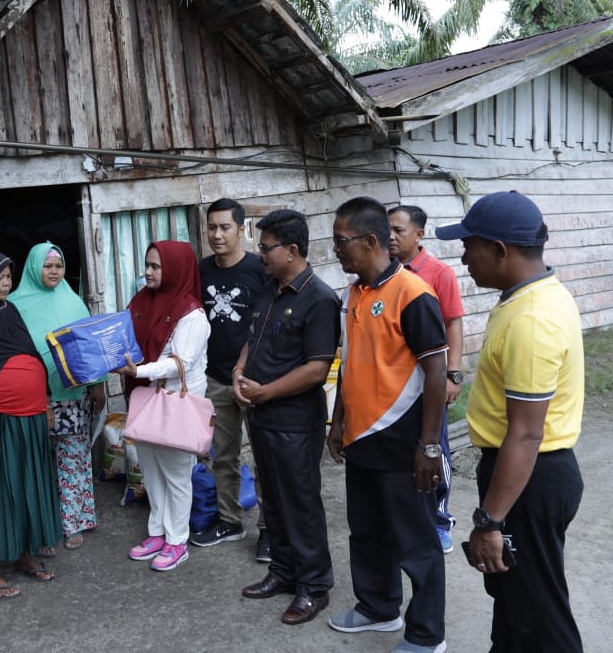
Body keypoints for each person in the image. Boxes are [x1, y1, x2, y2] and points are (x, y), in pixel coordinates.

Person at [435, 191, 584, 652]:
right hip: (523, 472)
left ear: (500, 250)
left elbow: (525, 431)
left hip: (529, 478)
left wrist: (490, 520)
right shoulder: (530, 296)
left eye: (470, 244)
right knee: (515, 604)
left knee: (541, 614)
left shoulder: (532, 319)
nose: (463, 255)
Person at [326, 197, 448, 653]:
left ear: (370, 241)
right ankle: (378, 608)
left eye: (341, 242)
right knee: (367, 531)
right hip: (361, 438)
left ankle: (426, 634)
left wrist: (430, 446)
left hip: (403, 442)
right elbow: (351, 364)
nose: (335, 250)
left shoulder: (413, 294)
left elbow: (435, 371)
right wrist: (337, 421)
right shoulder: (354, 293)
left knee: (415, 541)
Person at [236, 209, 340, 625]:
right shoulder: (268, 288)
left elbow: (317, 368)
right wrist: (240, 371)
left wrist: (265, 392)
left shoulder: (319, 299)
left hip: (295, 419)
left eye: (266, 248)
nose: (260, 254)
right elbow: (252, 337)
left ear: (292, 250)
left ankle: (314, 587)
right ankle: (282, 572)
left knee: (300, 502)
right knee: (274, 501)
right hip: (262, 414)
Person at [0, 251, 63, 599]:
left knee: (28, 484)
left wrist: (44, 403)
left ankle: (22, 554)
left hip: (30, 415)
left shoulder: (11, 311)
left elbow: (31, 355)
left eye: (8, 277)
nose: (6, 283)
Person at [115, 240, 210, 572]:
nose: (149, 271)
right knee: (151, 470)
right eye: (147, 264)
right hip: (145, 397)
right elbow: (124, 338)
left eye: (156, 266)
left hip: (175, 401)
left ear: (175, 270)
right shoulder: (142, 301)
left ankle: (177, 541)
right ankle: (157, 532)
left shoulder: (191, 313)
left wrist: (138, 370)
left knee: (176, 474)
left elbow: (179, 362)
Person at [9, 243, 106, 552]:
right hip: (32, 397)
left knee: (73, 458)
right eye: (47, 265)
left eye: (58, 266)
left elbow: (92, 347)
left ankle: (73, 522)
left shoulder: (74, 302)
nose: (53, 271)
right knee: (37, 462)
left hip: (72, 396)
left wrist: (99, 385)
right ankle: (43, 526)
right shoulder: (13, 305)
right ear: (33, 268)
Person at [190, 199, 270, 560]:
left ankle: (271, 528)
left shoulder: (260, 269)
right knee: (223, 456)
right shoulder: (202, 270)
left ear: (242, 228)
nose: (217, 235)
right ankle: (229, 520)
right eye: (211, 227)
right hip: (216, 379)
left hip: (255, 381)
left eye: (225, 227)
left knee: (267, 457)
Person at [389, 205, 465, 553]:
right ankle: (407, 519)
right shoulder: (384, 273)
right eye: (387, 229)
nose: (391, 236)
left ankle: (439, 520)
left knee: (436, 448)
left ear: (419, 234)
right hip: (395, 386)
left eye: (398, 230)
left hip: (431, 382)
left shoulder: (438, 273)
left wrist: (453, 374)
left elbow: (453, 322)